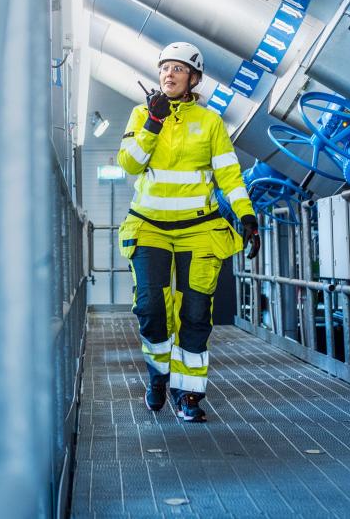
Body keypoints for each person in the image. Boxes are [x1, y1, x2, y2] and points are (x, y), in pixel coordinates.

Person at [116, 41, 260, 423]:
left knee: (195, 314)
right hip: (149, 228)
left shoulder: (210, 122)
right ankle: (158, 376)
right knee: (151, 309)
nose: (169, 73)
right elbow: (129, 164)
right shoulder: (140, 115)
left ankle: (189, 396)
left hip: (199, 229)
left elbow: (229, 175)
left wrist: (247, 216)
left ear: (194, 78)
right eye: (165, 67)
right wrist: (152, 122)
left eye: (179, 69)